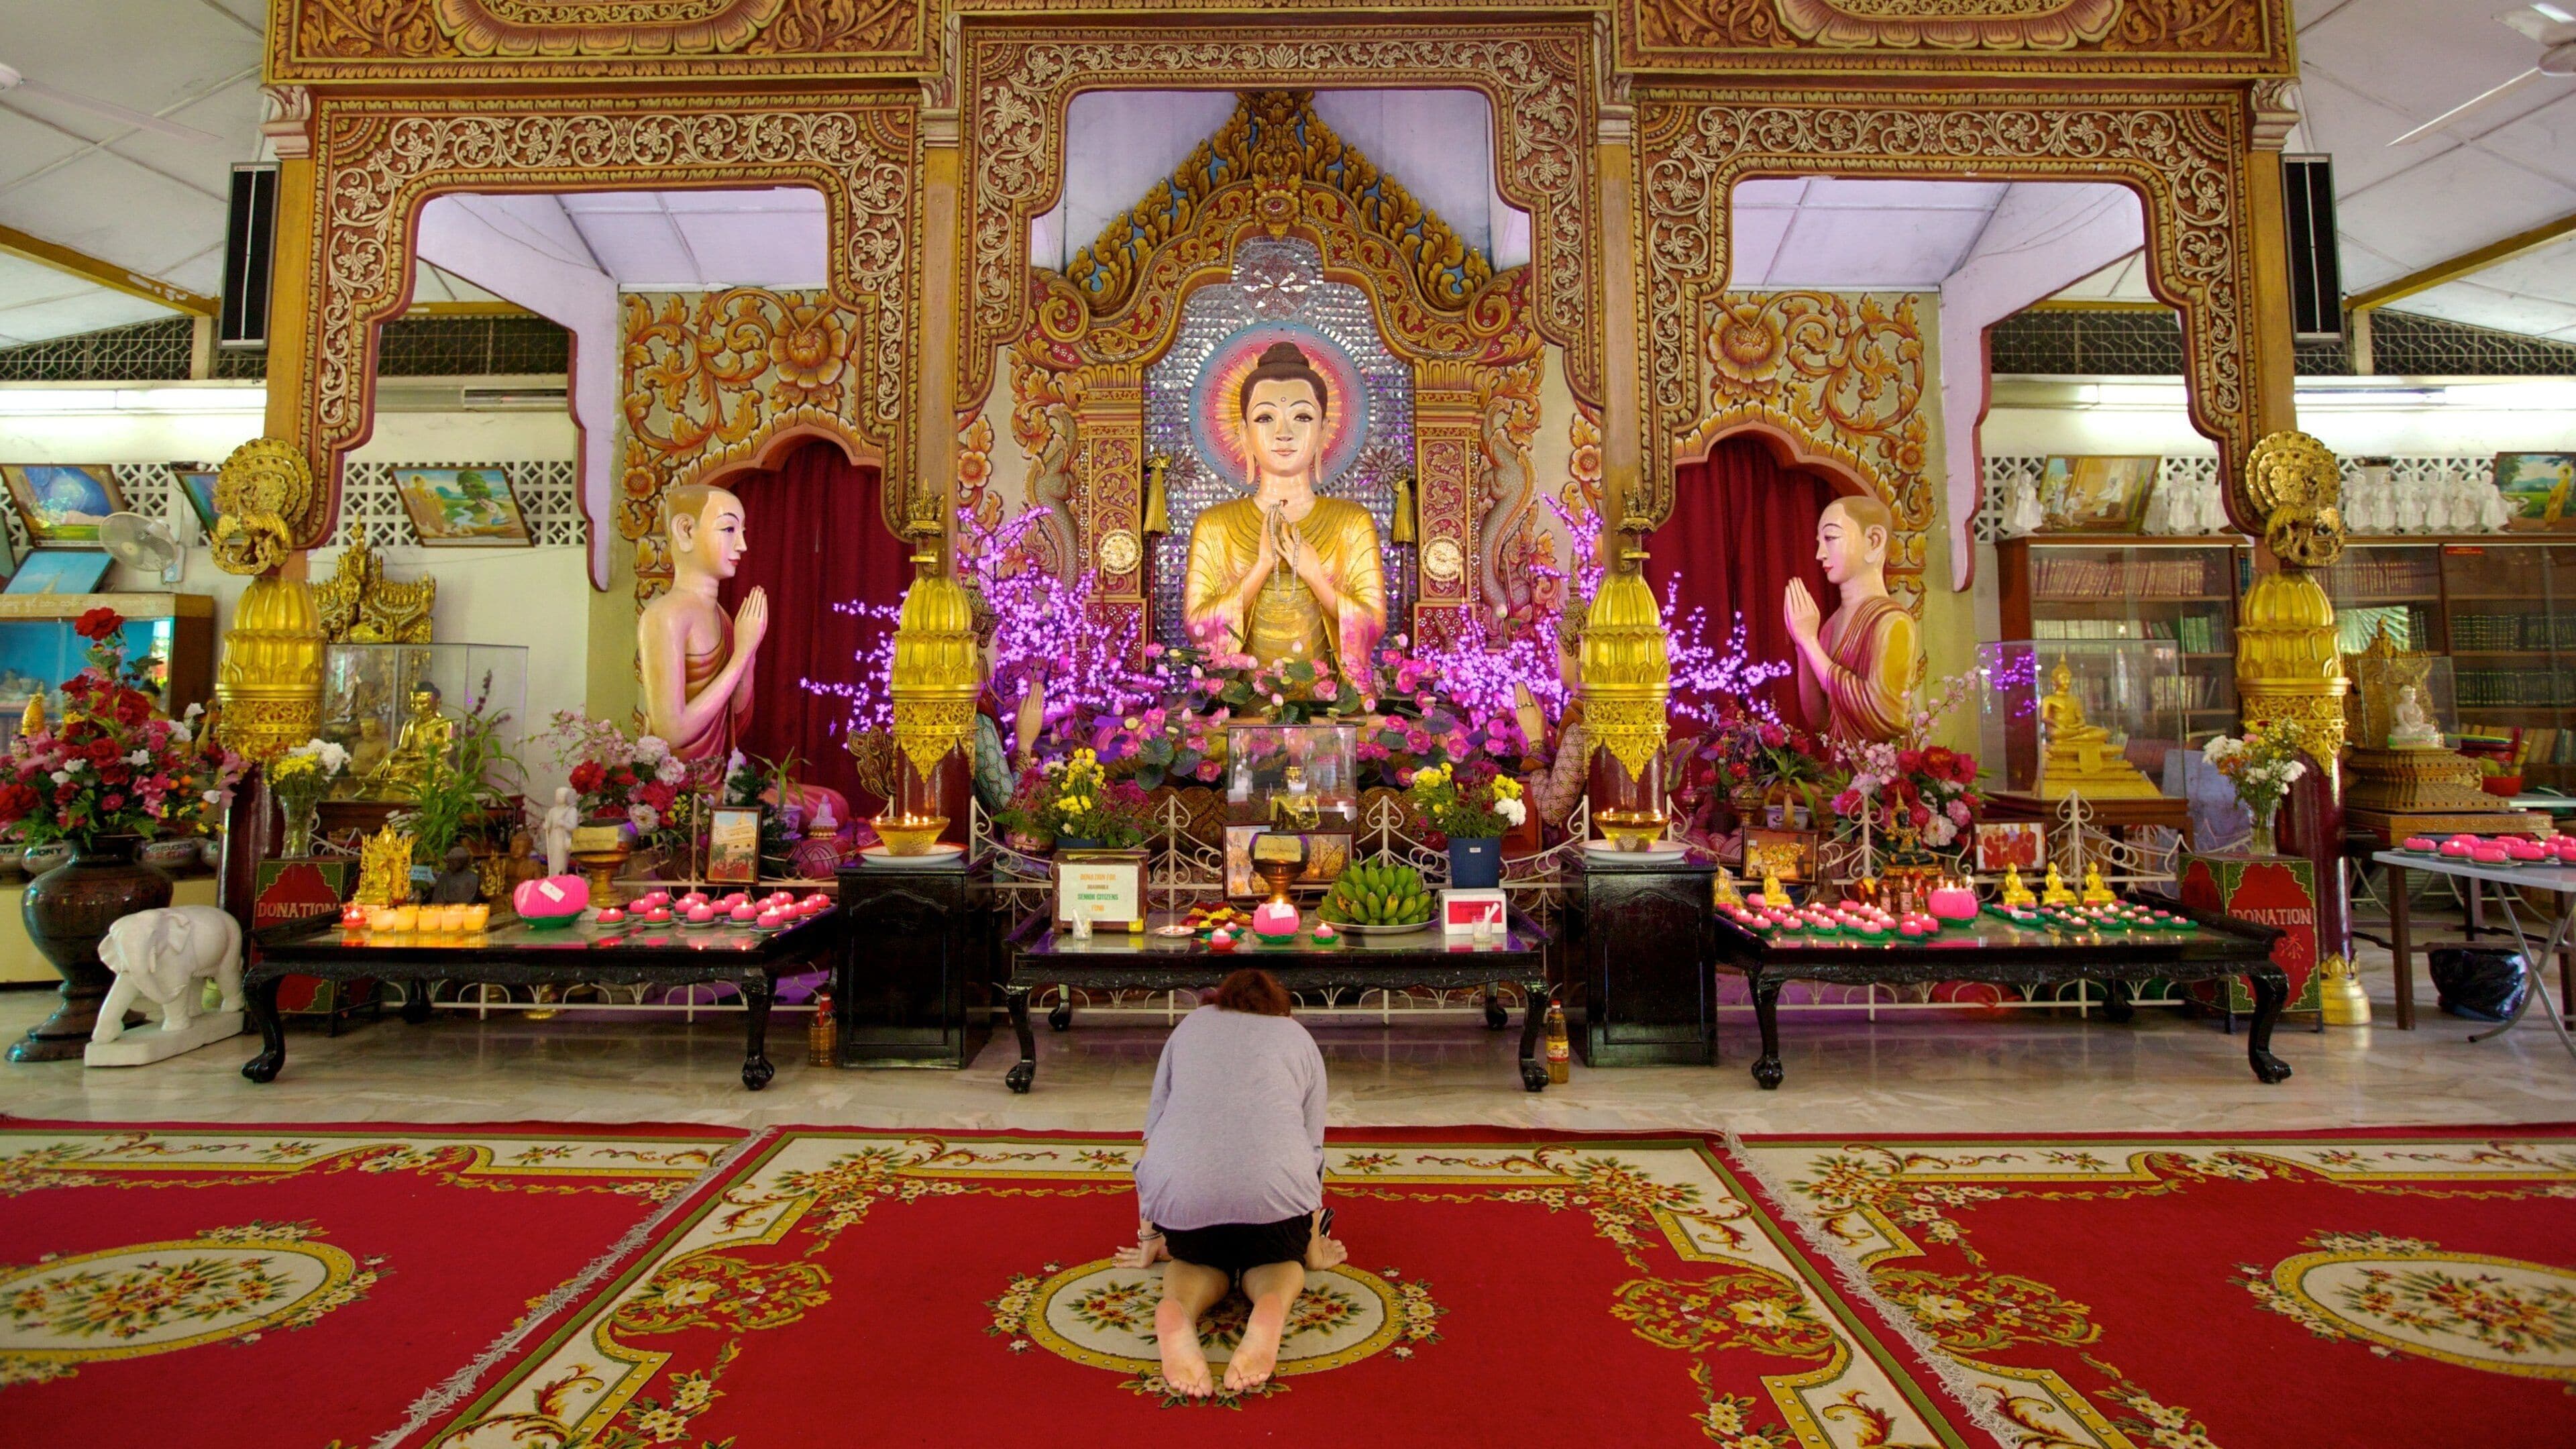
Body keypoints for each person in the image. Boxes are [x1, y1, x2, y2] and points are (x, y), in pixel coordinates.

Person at [1118, 967, 1347, 1398]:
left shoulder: (1189, 1027)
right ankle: (1270, 1306)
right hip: (1273, 1207)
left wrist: (1149, 1236)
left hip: (1189, 1203)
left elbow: (1151, 1137)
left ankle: (1179, 1311)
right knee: (1281, 1264)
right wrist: (1313, 1250)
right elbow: (1312, 1152)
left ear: (1219, 1001)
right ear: (1278, 1007)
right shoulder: (1297, 1037)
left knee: (1195, 1262)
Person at [1182, 341, 1386, 676]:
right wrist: (1261, 566)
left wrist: (1317, 579)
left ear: (1322, 431)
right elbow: (1197, 626)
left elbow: (1373, 625)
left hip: (1331, 706)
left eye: (1302, 417)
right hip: (1239, 706)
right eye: (1265, 418)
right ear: (1244, 434)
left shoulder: (1352, 522)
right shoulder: (1215, 525)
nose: (1284, 433)